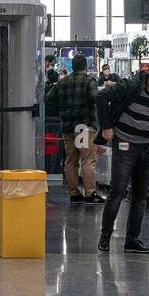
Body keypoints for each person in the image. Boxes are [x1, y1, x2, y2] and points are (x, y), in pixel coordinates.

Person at [95, 63, 149, 255]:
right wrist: (107, 127)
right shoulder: (130, 86)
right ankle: (105, 237)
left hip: (146, 147)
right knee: (117, 191)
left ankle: (132, 239)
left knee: (140, 196)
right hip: (125, 145)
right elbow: (100, 97)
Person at [45, 53, 103, 205]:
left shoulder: (63, 82)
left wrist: (62, 107)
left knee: (70, 161)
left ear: (72, 66)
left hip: (67, 126)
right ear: (85, 66)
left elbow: (49, 98)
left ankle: (74, 194)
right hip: (83, 127)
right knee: (87, 160)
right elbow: (96, 98)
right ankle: (90, 194)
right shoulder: (89, 81)